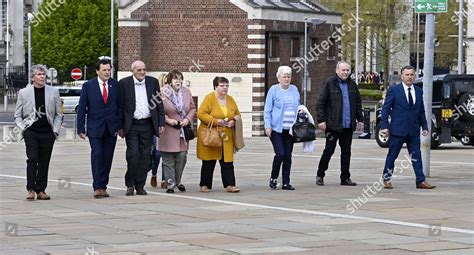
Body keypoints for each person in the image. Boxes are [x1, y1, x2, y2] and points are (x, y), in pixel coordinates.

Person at [380, 66, 435, 189]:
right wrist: (384, 126)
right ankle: (387, 179)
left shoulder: (419, 91)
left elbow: (421, 111)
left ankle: (420, 180)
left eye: (411, 75)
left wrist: (425, 126)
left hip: (413, 130)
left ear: (414, 76)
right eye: (407, 75)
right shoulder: (394, 90)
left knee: (417, 156)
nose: (409, 77)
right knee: (392, 156)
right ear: (402, 76)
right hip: (398, 130)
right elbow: (386, 109)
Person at [14, 64, 62, 200]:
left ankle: (41, 189)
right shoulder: (24, 93)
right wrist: (23, 128)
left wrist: (56, 130)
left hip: (48, 132)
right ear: (33, 77)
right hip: (31, 131)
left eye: (43, 74)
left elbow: (59, 114)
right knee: (32, 158)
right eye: (39, 75)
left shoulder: (53, 92)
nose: (42, 77)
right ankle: (30, 188)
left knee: (44, 161)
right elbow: (17, 115)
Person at [77, 59, 122, 198]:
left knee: (107, 157)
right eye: (104, 70)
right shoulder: (88, 86)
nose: (107, 72)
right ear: (97, 71)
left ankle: (103, 185)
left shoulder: (116, 85)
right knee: (97, 155)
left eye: (109, 70)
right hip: (95, 128)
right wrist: (80, 128)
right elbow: (82, 108)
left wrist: (120, 126)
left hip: (111, 128)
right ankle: (97, 186)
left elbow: (120, 107)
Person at [119, 60, 165, 196]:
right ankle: (130, 184)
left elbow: (159, 104)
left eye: (144, 69)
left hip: (148, 124)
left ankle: (140, 185)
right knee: (133, 155)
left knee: (145, 156)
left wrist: (161, 122)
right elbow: (120, 106)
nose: (142, 72)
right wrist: (120, 126)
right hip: (131, 125)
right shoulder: (124, 83)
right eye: (139, 70)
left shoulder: (152, 82)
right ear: (132, 71)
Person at [316, 61, 363, 186]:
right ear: (337, 71)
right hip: (333, 125)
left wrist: (360, 118)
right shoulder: (329, 83)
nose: (345, 72)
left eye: (347, 70)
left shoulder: (353, 85)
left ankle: (345, 177)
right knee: (329, 150)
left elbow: (358, 103)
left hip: (348, 125)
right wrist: (321, 120)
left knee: (346, 152)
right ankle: (320, 174)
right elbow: (321, 103)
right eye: (343, 70)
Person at [197, 76, 241, 193]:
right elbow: (201, 114)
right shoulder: (209, 98)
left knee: (227, 161)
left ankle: (230, 184)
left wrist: (233, 121)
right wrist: (216, 121)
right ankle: (205, 184)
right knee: (209, 161)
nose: (225, 88)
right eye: (222, 86)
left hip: (226, 136)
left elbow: (237, 114)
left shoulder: (230, 99)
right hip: (212, 134)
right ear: (215, 87)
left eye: (226, 86)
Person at [159, 70, 196, 193]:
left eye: (180, 78)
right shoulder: (162, 92)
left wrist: (188, 119)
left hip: (182, 131)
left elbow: (192, 108)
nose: (178, 81)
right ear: (170, 80)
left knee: (182, 157)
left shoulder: (186, 92)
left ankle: (178, 180)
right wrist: (168, 120)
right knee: (168, 159)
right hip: (168, 130)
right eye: (175, 78)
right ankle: (170, 183)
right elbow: (157, 111)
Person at [264, 66, 300, 190]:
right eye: (284, 76)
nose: (286, 79)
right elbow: (267, 110)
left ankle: (286, 182)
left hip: (290, 130)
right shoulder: (273, 90)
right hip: (276, 129)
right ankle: (273, 178)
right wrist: (267, 126)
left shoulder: (294, 89)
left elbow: (298, 107)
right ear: (278, 78)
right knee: (280, 154)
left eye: (288, 76)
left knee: (288, 156)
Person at [150, 73, 167, 189]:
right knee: (157, 153)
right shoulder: (157, 95)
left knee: (167, 154)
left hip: (170, 127)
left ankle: (165, 179)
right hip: (158, 126)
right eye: (165, 82)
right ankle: (154, 173)